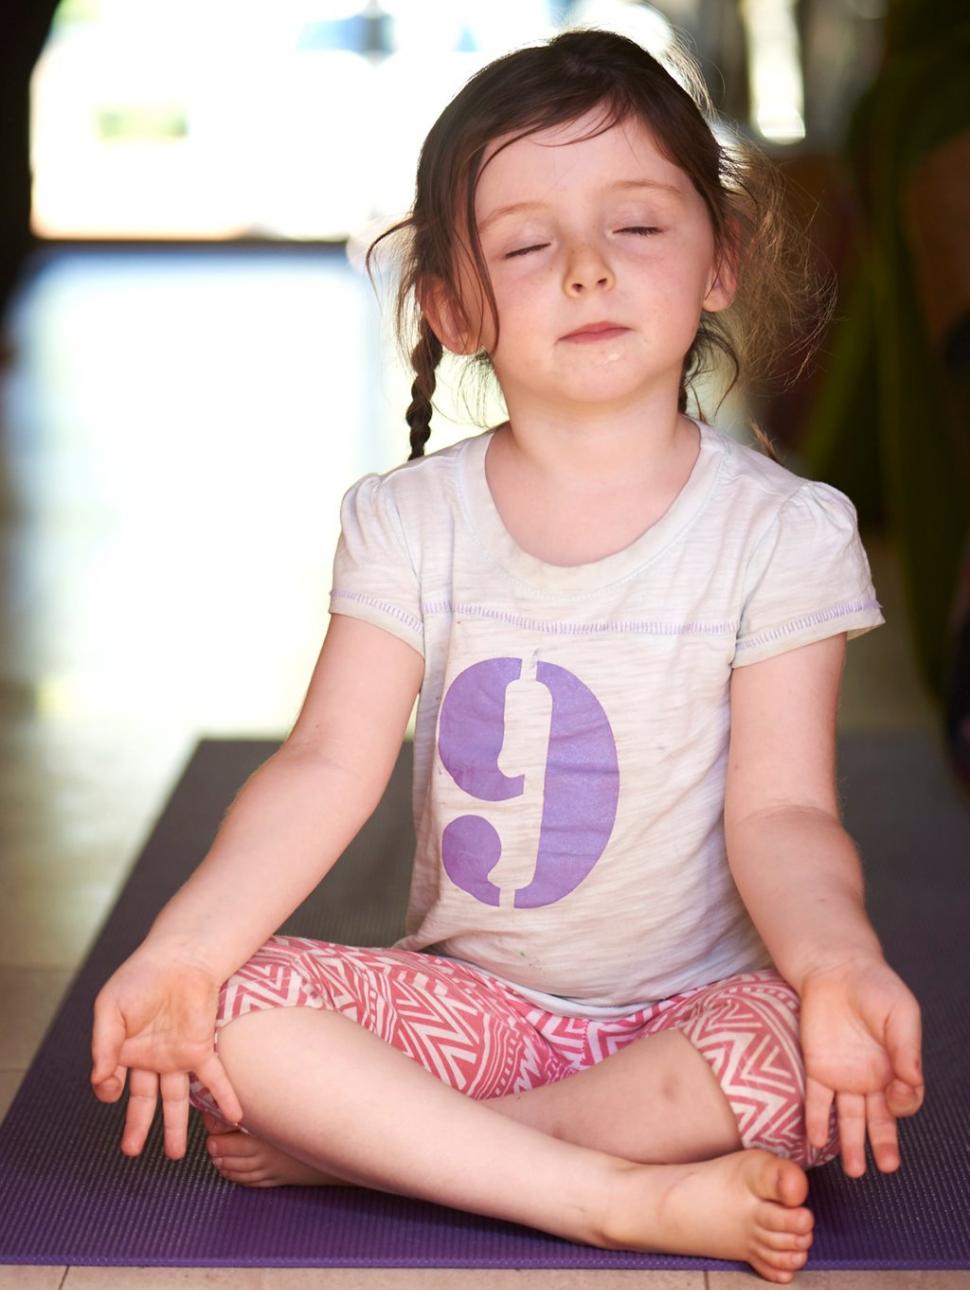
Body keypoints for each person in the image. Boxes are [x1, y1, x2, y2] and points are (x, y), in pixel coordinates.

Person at [89, 28, 925, 1284]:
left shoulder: (784, 534)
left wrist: (838, 960)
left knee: (804, 1051)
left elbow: (788, 811)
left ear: (720, 260)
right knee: (237, 1008)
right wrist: (184, 952)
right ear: (452, 305)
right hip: (470, 1019)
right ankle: (606, 1194)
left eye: (636, 228)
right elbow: (326, 763)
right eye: (529, 246)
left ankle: (389, 1153)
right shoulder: (407, 520)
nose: (587, 271)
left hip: (687, 1022)